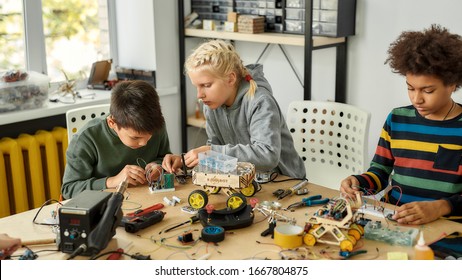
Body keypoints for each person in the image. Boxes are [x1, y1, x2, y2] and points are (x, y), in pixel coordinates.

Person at [340, 24, 462, 225]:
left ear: (452, 84)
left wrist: (441, 207)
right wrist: (358, 183)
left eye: (428, 91)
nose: (417, 99)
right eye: (410, 88)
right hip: (394, 220)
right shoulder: (397, 119)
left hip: (446, 227)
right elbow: (379, 172)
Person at [162, 39, 305, 180]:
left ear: (230, 79)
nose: (199, 95)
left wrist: (211, 152)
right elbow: (216, 148)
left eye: (206, 85)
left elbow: (267, 156)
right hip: (247, 179)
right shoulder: (212, 105)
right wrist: (186, 161)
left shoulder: (260, 102)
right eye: (196, 87)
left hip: (284, 181)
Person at [62, 80, 172, 199]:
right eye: (135, 137)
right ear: (112, 123)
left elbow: (164, 157)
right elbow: (69, 189)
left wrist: (158, 166)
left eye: (149, 135)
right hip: (106, 206)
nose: (144, 143)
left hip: (147, 198)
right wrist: (113, 181)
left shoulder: (156, 125)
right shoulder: (86, 139)